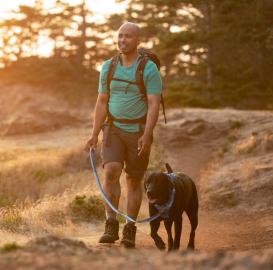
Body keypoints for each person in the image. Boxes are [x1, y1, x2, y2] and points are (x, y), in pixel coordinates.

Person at [85, 22, 162, 248]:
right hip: (113, 129)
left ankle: (130, 228)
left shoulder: (148, 69)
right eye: (120, 36)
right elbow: (101, 101)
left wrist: (147, 135)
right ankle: (111, 224)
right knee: (111, 171)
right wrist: (94, 134)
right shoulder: (108, 67)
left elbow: (153, 103)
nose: (122, 40)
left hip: (138, 130)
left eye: (128, 37)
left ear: (138, 40)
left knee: (134, 180)